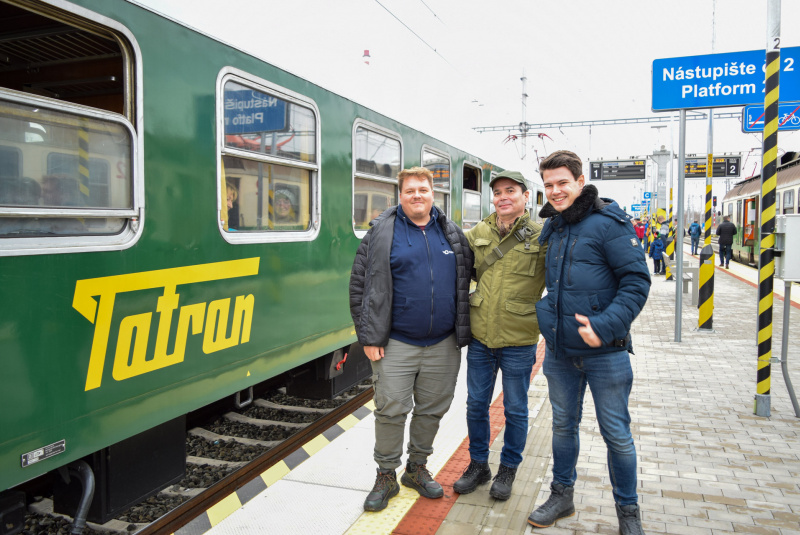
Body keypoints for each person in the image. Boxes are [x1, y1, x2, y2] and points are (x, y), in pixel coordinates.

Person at [527, 150, 650, 535]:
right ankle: (562, 496)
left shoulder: (609, 223)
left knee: (616, 433)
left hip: (606, 353)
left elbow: (637, 283)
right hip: (562, 352)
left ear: (581, 181)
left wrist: (605, 326)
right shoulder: (555, 226)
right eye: (548, 185)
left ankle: (628, 513)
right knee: (563, 426)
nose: (555, 191)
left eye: (562, 182)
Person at [349, 166, 473, 512]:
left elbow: (468, 278)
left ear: (434, 194)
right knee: (390, 409)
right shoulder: (380, 235)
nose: (417, 195)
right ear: (399, 196)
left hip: (443, 343)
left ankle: (416, 469)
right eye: (409, 191)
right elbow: (360, 287)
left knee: (433, 409)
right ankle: (386, 473)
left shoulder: (452, 235)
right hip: (397, 342)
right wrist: (369, 336)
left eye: (423, 189)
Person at [453, 170, 547, 501]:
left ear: (525, 197)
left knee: (516, 409)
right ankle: (479, 465)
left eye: (511, 191)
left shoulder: (541, 236)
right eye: (497, 192)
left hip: (519, 341)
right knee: (476, 404)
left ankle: (508, 469)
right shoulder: (477, 233)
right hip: (481, 338)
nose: (503, 196)